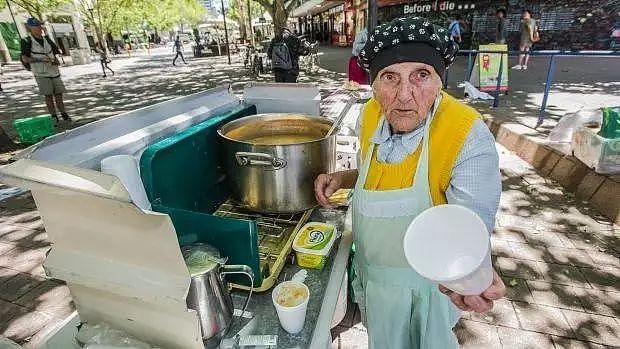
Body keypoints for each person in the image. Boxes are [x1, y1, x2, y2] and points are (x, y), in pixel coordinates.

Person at [314, 16, 505, 348]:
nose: (404, 95)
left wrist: (469, 275)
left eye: (421, 76)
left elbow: (469, 228)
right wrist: (344, 177)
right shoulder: (371, 113)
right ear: (372, 84)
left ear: (440, 80)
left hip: (426, 294)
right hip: (372, 280)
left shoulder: (465, 133)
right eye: (389, 77)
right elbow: (377, 173)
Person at [20, 17, 70, 123]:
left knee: (59, 94)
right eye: (36, 26)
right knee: (48, 95)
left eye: (39, 25)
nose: (39, 28)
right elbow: (25, 58)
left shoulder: (46, 39)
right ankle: (53, 116)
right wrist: (40, 59)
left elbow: (56, 51)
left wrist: (55, 59)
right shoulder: (26, 41)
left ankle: (64, 113)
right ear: (30, 28)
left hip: (53, 71)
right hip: (41, 72)